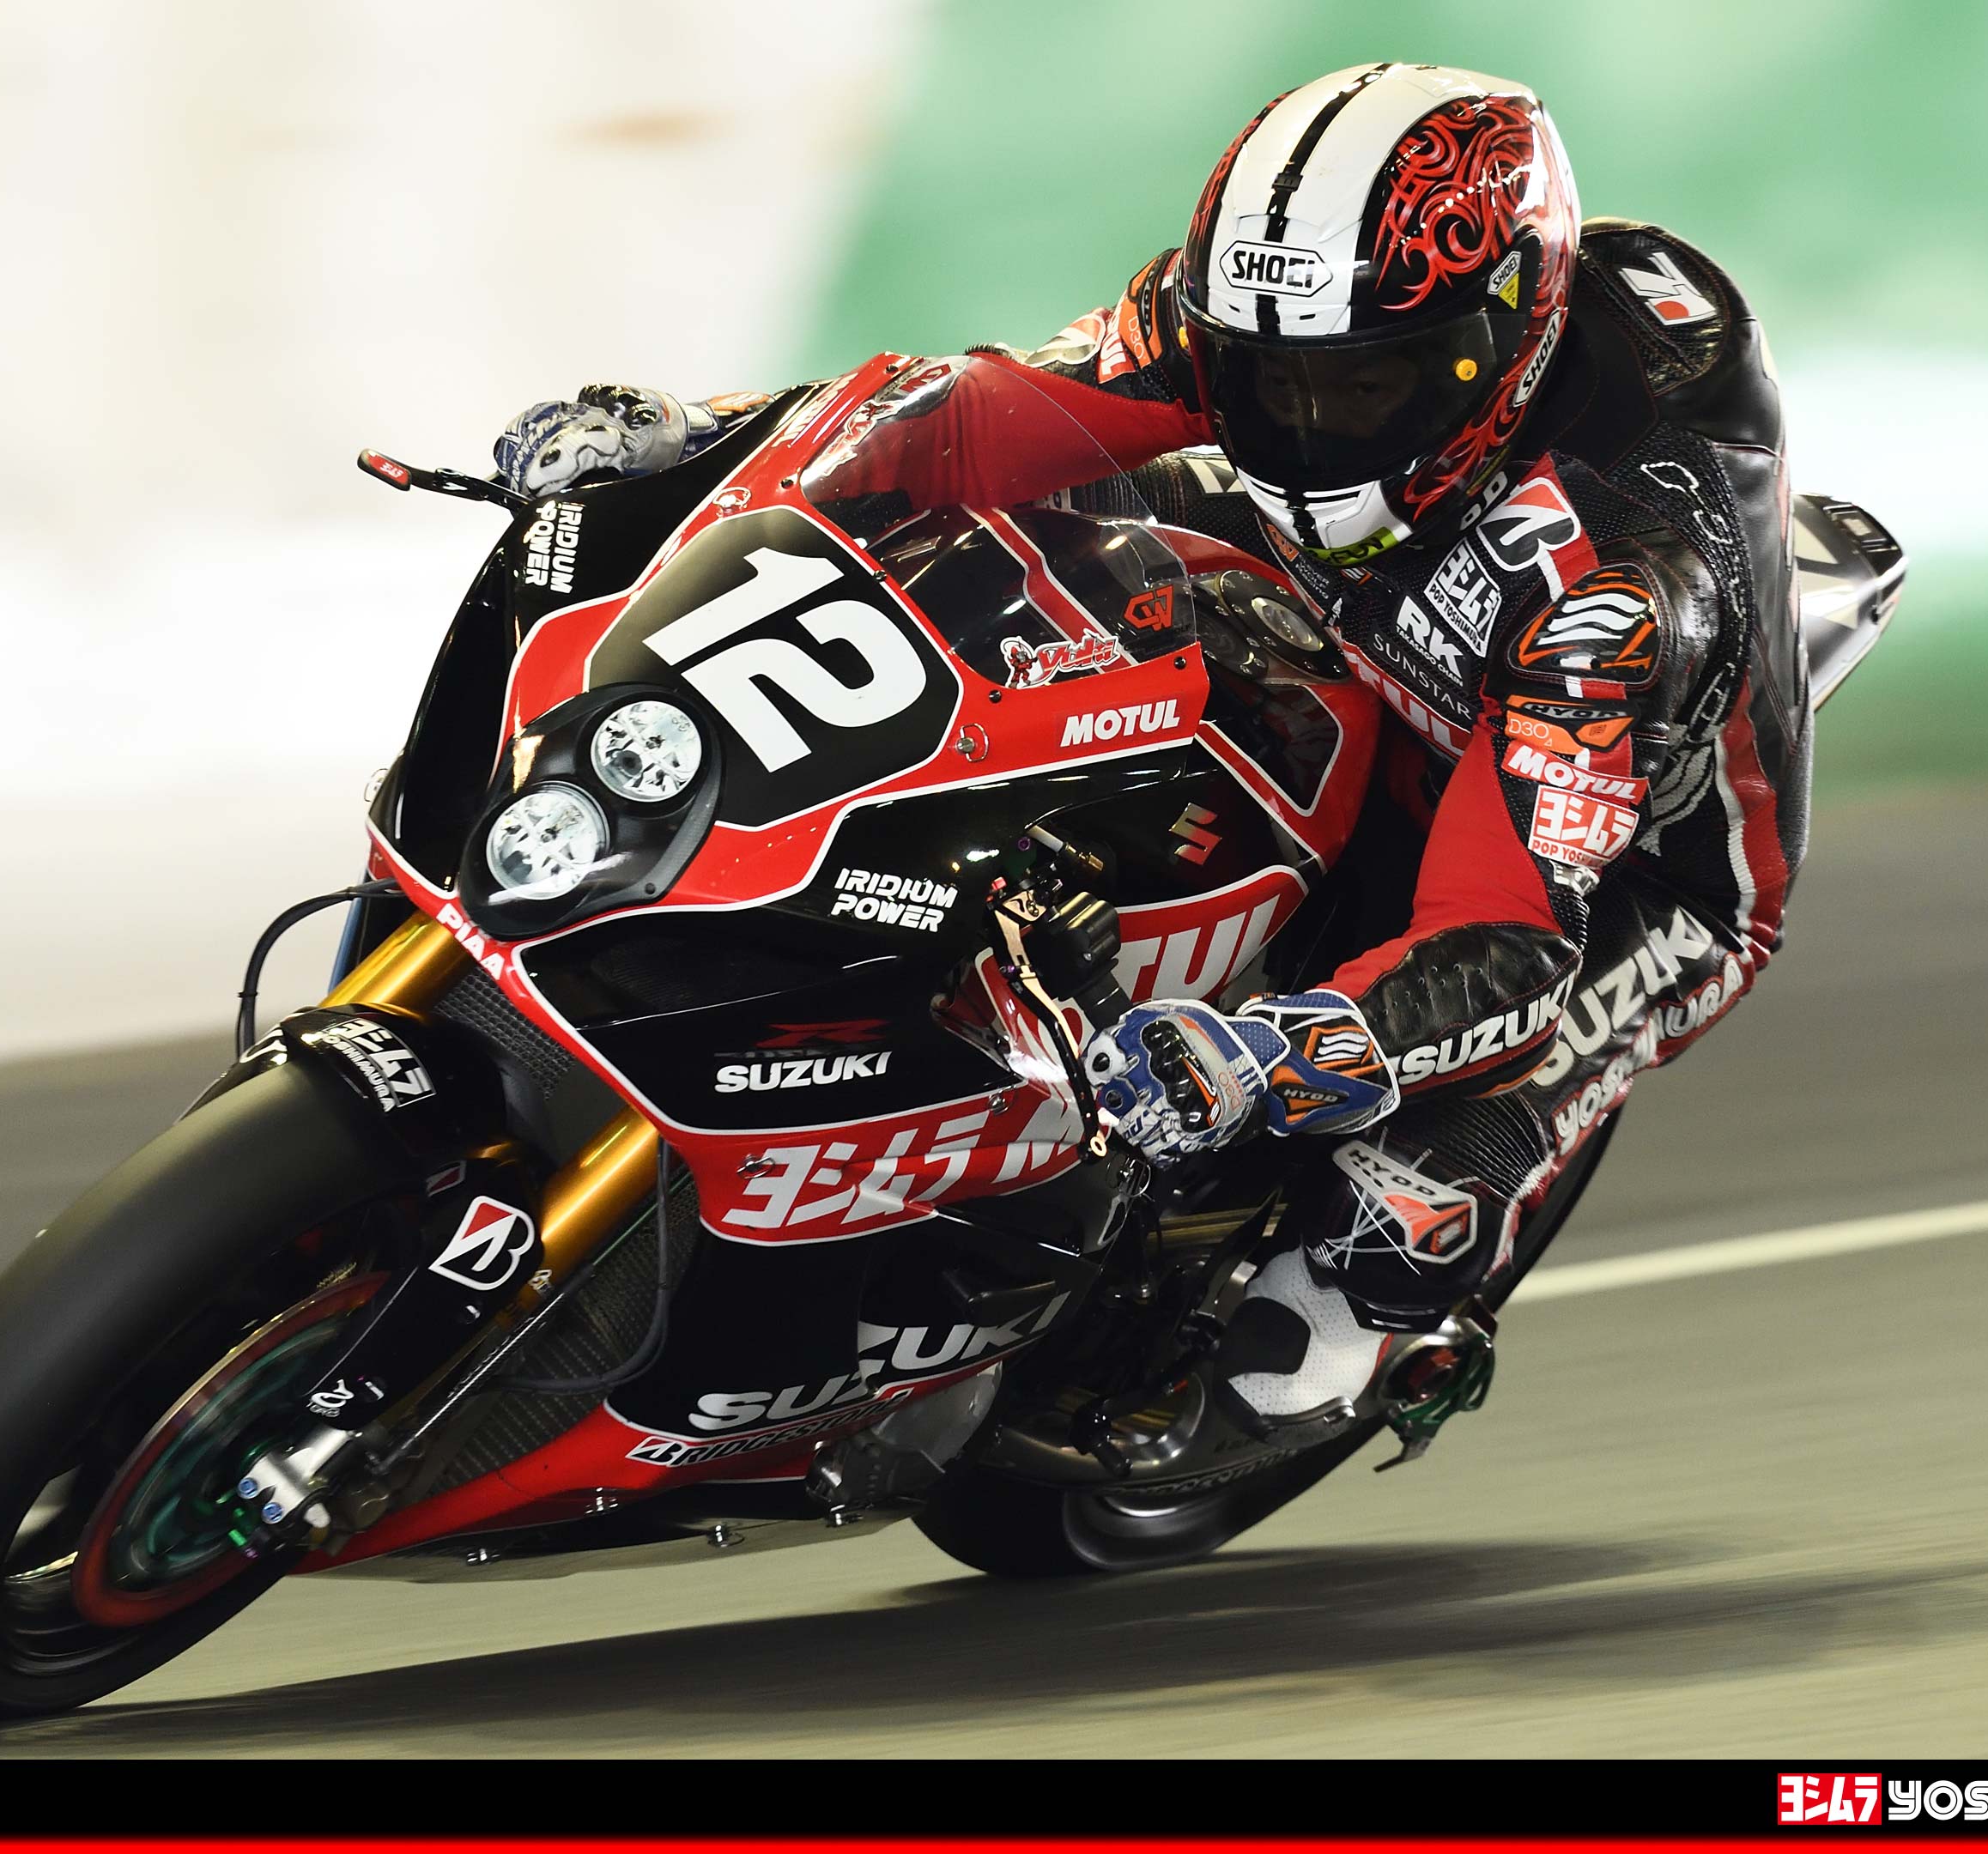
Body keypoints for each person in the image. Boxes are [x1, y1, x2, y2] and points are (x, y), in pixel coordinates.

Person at [491, 63, 1806, 1451]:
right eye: (1268, 380)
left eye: (1362, 385)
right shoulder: (1262, 314)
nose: (1305, 421)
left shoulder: (1611, 600)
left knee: (1365, 1257)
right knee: (1027, 568)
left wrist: (1275, 1055)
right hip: (1364, 608)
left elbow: (1511, 933)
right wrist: (708, 436)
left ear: (1498, 345)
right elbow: (972, 417)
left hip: (1636, 860)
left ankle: (1409, 1299)